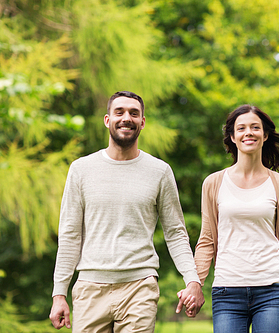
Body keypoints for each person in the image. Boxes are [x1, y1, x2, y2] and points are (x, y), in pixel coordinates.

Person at [49, 91, 204, 332]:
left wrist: (192, 278)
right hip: (90, 287)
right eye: (119, 112)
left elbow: (175, 233)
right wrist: (59, 293)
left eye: (134, 113)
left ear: (142, 122)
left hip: (140, 287)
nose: (126, 118)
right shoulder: (81, 169)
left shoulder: (159, 171)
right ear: (107, 120)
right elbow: (70, 234)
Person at [190, 105, 279, 332]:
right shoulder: (213, 183)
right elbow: (206, 239)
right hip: (227, 291)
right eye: (241, 128)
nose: (249, 132)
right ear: (233, 137)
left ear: (264, 135)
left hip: (272, 291)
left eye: (255, 127)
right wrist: (195, 283)